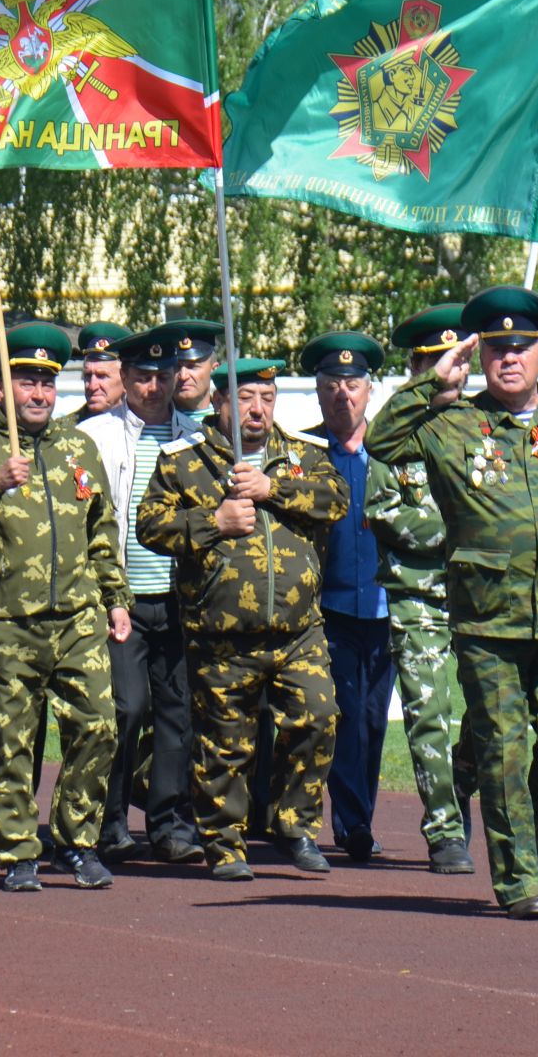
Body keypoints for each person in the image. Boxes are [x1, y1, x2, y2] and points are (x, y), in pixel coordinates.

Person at [367, 285, 538, 921]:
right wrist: (433, 386)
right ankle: (519, 879)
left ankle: (527, 834)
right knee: (503, 749)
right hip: (486, 620)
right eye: (497, 349)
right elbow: (382, 443)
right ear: (481, 358)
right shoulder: (451, 426)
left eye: (521, 347)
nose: (510, 358)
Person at [0, 322, 131, 893]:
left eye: (46, 381)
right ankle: (19, 848)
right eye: (27, 382)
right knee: (11, 740)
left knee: (98, 727)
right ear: (3, 387)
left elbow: (100, 528)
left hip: (77, 618)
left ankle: (76, 840)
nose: (39, 393)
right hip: (5, 623)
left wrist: (115, 598)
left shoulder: (77, 446)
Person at [136, 355, 347, 881]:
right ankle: (225, 842)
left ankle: (295, 825)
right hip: (222, 633)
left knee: (318, 718)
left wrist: (272, 489)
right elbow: (151, 527)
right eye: (246, 398)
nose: (258, 409)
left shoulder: (303, 453)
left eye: (267, 399)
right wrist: (215, 520)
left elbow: (336, 500)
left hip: (299, 629)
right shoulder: (184, 460)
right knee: (226, 743)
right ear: (220, 401)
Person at [76, 327, 207, 865]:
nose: (154, 387)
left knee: (178, 713)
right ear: (124, 379)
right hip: (121, 599)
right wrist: (105, 594)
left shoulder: (197, 438)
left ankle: (170, 824)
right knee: (126, 710)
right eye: (143, 377)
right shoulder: (96, 436)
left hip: (179, 597)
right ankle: (109, 821)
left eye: (163, 376)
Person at [367, 305, 476, 874]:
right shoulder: (395, 435)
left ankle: (459, 782)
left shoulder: (482, 427)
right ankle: (444, 829)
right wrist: (462, 533)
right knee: (428, 713)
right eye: (436, 365)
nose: (450, 376)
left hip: (479, 597)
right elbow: (384, 512)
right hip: (418, 594)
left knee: (490, 718)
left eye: (456, 364)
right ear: (417, 369)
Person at [297, 330, 395, 864]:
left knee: (374, 720)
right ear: (318, 392)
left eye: (353, 384)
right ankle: (351, 824)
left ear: (368, 392)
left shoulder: (392, 450)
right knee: (337, 715)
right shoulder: (304, 453)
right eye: (333, 384)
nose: (343, 394)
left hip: (382, 609)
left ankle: (360, 817)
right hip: (326, 611)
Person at [68, 321, 129, 422]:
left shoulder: (141, 427)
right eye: (87, 375)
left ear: (125, 380)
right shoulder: (63, 430)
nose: (92, 386)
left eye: (102, 376)